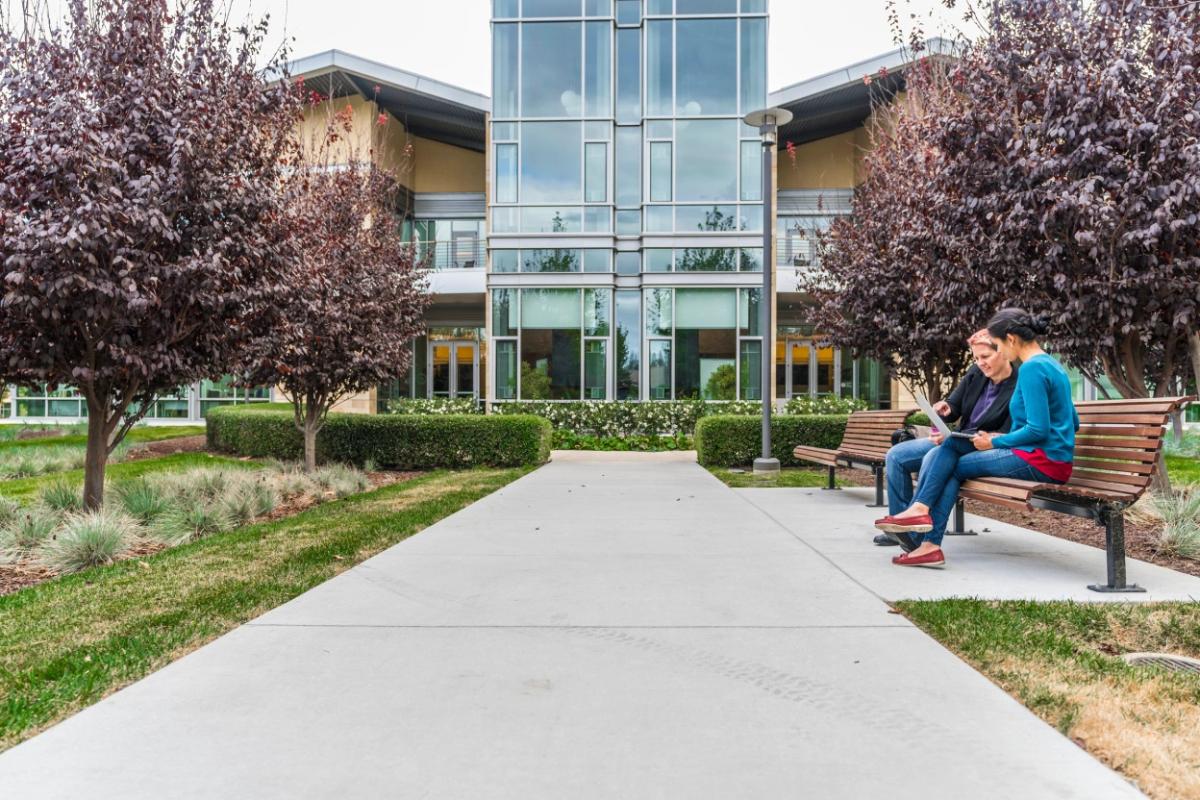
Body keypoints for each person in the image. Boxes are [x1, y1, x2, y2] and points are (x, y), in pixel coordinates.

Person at [874, 308, 1080, 568]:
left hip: (1040, 461)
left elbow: (1038, 431)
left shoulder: (1031, 370)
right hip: (1048, 458)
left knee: (948, 461)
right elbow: (1074, 422)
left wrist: (994, 441)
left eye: (998, 346)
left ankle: (924, 529)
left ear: (1011, 339)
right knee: (949, 455)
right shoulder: (1053, 365)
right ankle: (925, 536)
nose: (1001, 352)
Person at [875, 330, 1018, 550]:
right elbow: (955, 406)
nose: (980, 363)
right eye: (976, 358)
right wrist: (945, 409)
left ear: (1004, 353)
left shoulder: (1019, 384)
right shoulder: (976, 374)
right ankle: (900, 526)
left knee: (933, 455)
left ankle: (915, 529)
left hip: (983, 448)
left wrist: (971, 438)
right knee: (896, 455)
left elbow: (1007, 432)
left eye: (986, 357)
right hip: (956, 441)